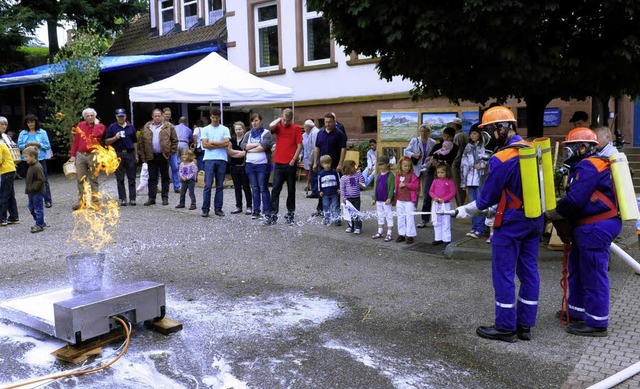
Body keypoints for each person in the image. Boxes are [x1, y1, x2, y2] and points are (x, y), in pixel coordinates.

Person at [455, 106, 544, 342]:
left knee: (503, 273)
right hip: (535, 219)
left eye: (489, 132)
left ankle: (505, 327)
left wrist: (463, 210)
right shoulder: (532, 150)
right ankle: (524, 325)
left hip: (512, 222)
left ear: (501, 129)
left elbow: (486, 198)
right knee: (529, 271)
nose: (488, 138)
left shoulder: (502, 158)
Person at [547, 127, 622, 337]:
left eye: (569, 149)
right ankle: (577, 312)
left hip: (595, 226)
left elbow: (575, 200)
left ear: (582, 147)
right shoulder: (590, 165)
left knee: (593, 274)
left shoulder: (588, 166)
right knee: (578, 270)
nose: (566, 154)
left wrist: (554, 212)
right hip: (591, 225)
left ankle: (597, 322)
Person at [266, 108, 303, 225]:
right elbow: (270, 126)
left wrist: (294, 159)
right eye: (284, 120)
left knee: (291, 190)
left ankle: (290, 214)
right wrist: (279, 119)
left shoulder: (296, 129)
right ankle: (272, 215)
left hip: (290, 164)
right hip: (278, 163)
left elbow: (299, 146)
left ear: (291, 119)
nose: (285, 123)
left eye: (287, 120)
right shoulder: (278, 126)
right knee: (275, 190)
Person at [417, 126, 458, 228]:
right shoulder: (437, 146)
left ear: (452, 137)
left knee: (444, 197)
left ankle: (442, 218)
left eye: (448, 137)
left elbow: (450, 159)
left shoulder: (455, 148)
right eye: (444, 136)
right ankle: (424, 219)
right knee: (427, 195)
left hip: (445, 176)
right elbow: (432, 156)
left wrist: (441, 161)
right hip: (432, 173)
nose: (446, 139)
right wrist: (434, 160)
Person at [139, 108, 178, 206]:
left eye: (159, 116)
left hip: (164, 155)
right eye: (155, 116)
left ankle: (165, 198)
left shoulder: (169, 126)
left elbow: (175, 140)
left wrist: (170, 152)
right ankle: (151, 198)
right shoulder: (147, 126)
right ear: (152, 116)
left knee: (165, 177)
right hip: (151, 156)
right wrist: (143, 156)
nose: (157, 117)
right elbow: (142, 142)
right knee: (152, 178)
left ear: (162, 116)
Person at [69, 108, 106, 210]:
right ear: (84, 117)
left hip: (93, 155)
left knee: (94, 180)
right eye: (87, 116)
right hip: (81, 155)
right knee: (81, 180)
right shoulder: (80, 126)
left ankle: (95, 202)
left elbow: (96, 135)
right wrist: (73, 155)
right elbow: (76, 141)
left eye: (91, 116)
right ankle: (82, 202)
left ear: (95, 116)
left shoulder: (100, 127)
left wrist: (97, 124)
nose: (89, 118)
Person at [313, 113, 347, 217]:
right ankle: (321, 209)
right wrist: (315, 162)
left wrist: (341, 164)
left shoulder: (339, 133)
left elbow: (343, 149)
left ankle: (335, 211)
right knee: (322, 187)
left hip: (334, 165)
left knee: (335, 187)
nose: (327, 124)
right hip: (321, 164)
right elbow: (317, 148)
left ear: (334, 122)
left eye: (329, 122)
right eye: (326, 122)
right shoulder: (320, 133)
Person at [241, 113, 273, 220]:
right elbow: (243, 145)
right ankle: (256, 211)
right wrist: (256, 145)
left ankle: (266, 211)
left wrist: (250, 148)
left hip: (262, 165)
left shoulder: (266, 133)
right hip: (250, 165)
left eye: (256, 120)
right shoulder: (248, 134)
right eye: (252, 121)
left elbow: (264, 147)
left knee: (263, 188)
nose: (254, 123)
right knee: (254, 188)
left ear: (261, 121)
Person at [17, 115, 53, 208]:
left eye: (32, 122)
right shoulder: (23, 133)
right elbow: (19, 146)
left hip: (40, 158)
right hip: (27, 160)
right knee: (29, 180)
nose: (30, 124)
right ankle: (31, 200)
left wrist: (39, 144)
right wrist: (26, 145)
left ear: (36, 122)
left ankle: (47, 200)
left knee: (43, 179)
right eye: (28, 122)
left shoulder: (42, 132)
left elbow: (48, 146)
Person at [201, 107, 230, 217]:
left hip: (221, 158)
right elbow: (204, 145)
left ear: (219, 117)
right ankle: (205, 209)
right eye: (213, 118)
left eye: (217, 118)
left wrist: (212, 142)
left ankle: (218, 208)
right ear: (210, 117)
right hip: (209, 159)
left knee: (219, 186)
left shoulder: (225, 129)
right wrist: (219, 143)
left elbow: (226, 143)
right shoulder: (205, 129)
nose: (215, 120)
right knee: (208, 185)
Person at [104, 108, 138, 206]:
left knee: (131, 177)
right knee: (120, 178)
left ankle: (133, 198)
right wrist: (115, 137)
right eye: (119, 116)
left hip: (129, 153)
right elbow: (106, 141)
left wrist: (136, 154)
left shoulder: (131, 127)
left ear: (125, 116)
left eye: (122, 116)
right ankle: (122, 198)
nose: (121, 118)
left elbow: (135, 141)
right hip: (117, 154)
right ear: (116, 117)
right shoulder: (112, 127)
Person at [460, 124, 487, 238]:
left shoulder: (484, 146)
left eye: (475, 133)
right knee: (472, 205)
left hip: (480, 179)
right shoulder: (468, 147)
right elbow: (463, 165)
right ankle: (475, 227)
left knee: (480, 204)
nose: (472, 135)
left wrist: (482, 165)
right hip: (470, 180)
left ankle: (480, 229)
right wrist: (463, 181)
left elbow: (490, 159)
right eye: (471, 133)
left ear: (480, 134)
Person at [228, 121, 252, 215]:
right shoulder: (232, 140)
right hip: (233, 166)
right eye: (236, 129)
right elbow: (229, 152)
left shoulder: (246, 140)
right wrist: (239, 153)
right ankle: (238, 206)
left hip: (244, 166)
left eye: (240, 129)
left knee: (246, 187)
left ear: (243, 129)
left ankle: (249, 206)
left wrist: (235, 153)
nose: (238, 131)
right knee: (237, 187)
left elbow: (245, 153)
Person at [394, 157, 420, 244]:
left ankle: (410, 235)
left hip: (409, 200)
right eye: (405, 166)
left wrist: (406, 185)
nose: (407, 168)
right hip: (400, 199)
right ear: (401, 166)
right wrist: (394, 198)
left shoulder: (413, 176)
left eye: (409, 166)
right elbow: (395, 187)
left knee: (409, 217)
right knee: (400, 216)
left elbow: (416, 186)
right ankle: (401, 234)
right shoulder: (398, 176)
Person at [430, 163, 456, 246]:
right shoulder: (435, 181)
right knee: (437, 221)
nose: (440, 174)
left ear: (447, 172)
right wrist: (435, 197)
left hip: (446, 204)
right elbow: (431, 191)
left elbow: (453, 192)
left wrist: (444, 199)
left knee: (446, 222)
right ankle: (438, 238)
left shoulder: (450, 181)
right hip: (436, 204)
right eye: (438, 173)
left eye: (442, 173)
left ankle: (447, 239)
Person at [371, 155, 395, 242]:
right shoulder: (378, 175)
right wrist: (374, 198)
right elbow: (375, 187)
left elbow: (392, 187)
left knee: (389, 216)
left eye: (382, 164)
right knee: (380, 216)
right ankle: (380, 232)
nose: (380, 166)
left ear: (387, 164)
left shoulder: (390, 175)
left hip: (386, 200)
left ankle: (389, 234)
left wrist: (390, 198)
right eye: (379, 165)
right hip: (379, 200)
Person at [23, 146, 46, 233]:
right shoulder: (31, 166)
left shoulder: (37, 167)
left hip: (37, 192)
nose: (25, 159)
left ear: (33, 156)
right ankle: (40, 222)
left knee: (38, 208)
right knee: (31, 207)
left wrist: (33, 188)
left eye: (26, 157)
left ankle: (39, 225)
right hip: (31, 192)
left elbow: (41, 179)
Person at [0, 129, 19, 226]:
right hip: (10, 170)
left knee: (3, 195)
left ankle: (2, 218)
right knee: (10, 195)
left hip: (5, 171)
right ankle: (14, 216)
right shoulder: (2, 144)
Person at [340, 160, 365, 234]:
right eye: (353, 167)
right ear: (348, 168)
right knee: (349, 213)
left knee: (356, 212)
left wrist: (360, 173)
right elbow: (342, 188)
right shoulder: (344, 178)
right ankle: (350, 226)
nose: (355, 168)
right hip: (348, 199)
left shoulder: (357, 175)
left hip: (356, 197)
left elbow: (362, 182)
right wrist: (343, 197)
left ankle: (358, 227)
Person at [318, 155, 340, 226]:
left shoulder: (334, 172)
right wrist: (320, 191)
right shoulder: (321, 174)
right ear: (322, 164)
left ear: (331, 163)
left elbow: (339, 180)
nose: (327, 165)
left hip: (334, 193)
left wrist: (339, 188)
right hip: (325, 194)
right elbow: (319, 183)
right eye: (325, 163)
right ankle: (327, 219)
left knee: (336, 206)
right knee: (326, 206)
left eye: (328, 163)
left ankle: (337, 219)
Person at [451, 117, 469, 206]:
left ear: (455, 125)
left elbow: (457, 152)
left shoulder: (458, 136)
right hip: (463, 163)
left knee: (457, 186)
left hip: (457, 164)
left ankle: (460, 206)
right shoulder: (465, 134)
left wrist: (454, 163)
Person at [163, 107, 181, 193]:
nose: (168, 116)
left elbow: (175, 139)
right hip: (162, 151)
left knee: (175, 168)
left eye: (169, 114)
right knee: (161, 170)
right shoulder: (159, 125)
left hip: (172, 151)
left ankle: (177, 187)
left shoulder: (172, 126)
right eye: (166, 114)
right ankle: (159, 187)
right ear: (163, 114)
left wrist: (173, 149)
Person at [302, 119, 320, 198]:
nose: (304, 129)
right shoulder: (311, 132)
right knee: (312, 175)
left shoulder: (314, 132)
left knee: (314, 175)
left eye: (305, 127)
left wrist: (312, 160)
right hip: (312, 157)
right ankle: (314, 190)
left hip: (314, 158)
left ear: (308, 127)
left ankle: (315, 191)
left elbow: (314, 147)